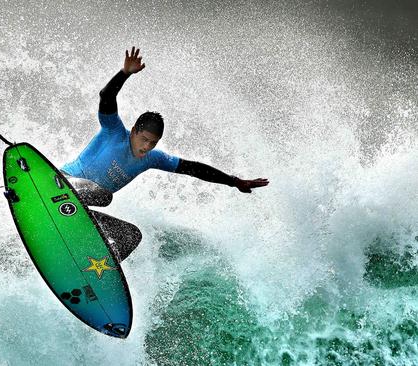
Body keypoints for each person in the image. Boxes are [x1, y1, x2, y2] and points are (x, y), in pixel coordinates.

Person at [61, 46, 269, 262]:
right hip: (62, 183)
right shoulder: (113, 131)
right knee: (104, 196)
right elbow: (106, 96)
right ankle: (62, 202)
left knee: (130, 236)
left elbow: (193, 168)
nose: (146, 147)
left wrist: (234, 181)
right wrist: (124, 73)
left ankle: (93, 268)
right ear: (133, 131)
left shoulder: (152, 158)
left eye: (152, 143)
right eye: (144, 140)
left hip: (78, 209)